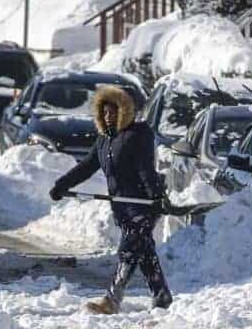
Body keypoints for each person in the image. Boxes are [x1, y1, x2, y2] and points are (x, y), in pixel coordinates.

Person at [49, 85, 173, 314]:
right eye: (105, 113)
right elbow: (85, 167)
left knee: (127, 251)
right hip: (123, 207)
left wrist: (156, 196)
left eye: (113, 112)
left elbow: (146, 169)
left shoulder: (139, 134)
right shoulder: (104, 141)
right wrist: (61, 185)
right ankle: (161, 294)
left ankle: (112, 300)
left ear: (125, 110)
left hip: (143, 204)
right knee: (144, 252)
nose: (109, 117)